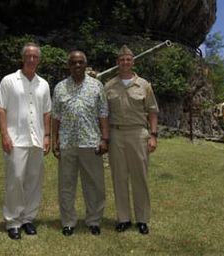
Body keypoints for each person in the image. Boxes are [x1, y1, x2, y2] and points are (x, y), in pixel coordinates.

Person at [0, 42, 51, 240]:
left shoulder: (43, 84)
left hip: (37, 139)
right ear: (23, 58)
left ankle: (28, 219)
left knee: (33, 181)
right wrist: (4, 135)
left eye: (35, 57)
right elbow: (1, 109)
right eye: (29, 56)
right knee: (15, 180)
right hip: (16, 139)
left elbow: (47, 112)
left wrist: (47, 135)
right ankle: (13, 221)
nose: (32, 59)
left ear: (39, 60)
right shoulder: (9, 81)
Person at [52, 50, 109, 236]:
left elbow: (103, 114)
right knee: (66, 184)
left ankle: (93, 220)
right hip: (67, 142)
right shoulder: (60, 87)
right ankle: (68, 221)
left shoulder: (97, 86)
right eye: (73, 62)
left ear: (85, 64)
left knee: (94, 184)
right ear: (69, 65)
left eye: (80, 62)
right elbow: (55, 117)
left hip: (90, 142)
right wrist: (54, 140)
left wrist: (104, 138)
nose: (77, 65)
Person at [104, 45, 159, 235]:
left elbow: (152, 111)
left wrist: (153, 135)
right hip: (116, 134)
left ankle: (142, 219)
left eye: (128, 59)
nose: (125, 62)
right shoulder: (109, 86)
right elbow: (103, 114)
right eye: (121, 60)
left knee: (139, 178)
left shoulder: (144, 85)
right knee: (119, 177)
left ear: (133, 62)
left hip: (138, 134)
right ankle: (124, 218)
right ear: (117, 63)